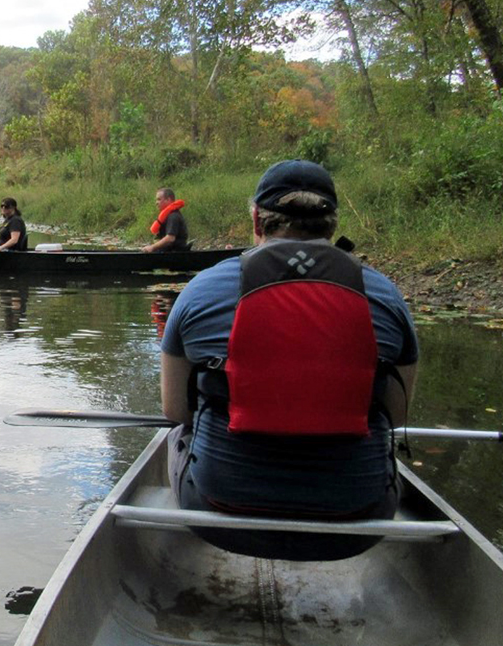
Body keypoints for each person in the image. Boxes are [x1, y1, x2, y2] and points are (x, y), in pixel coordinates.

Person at [158, 159, 419, 562]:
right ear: (331, 224)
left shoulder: (201, 289)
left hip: (219, 514)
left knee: (174, 435)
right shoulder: (385, 295)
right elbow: (395, 414)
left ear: (257, 221)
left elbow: (176, 409)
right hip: (358, 523)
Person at [142, 187, 189, 253]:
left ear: (168, 200)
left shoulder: (173, 216)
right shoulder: (168, 216)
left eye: (159, 199)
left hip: (175, 254)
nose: (156, 203)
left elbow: (170, 238)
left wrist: (152, 247)